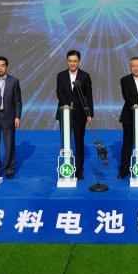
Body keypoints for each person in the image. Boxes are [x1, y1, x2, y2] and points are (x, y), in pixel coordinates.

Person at [56, 50, 93, 180]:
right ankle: (66, 168)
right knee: (65, 141)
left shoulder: (85, 76)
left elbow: (89, 96)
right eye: (70, 61)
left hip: (80, 114)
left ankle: (79, 170)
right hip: (64, 112)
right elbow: (59, 92)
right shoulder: (61, 75)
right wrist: (66, 105)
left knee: (79, 142)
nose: (72, 63)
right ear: (67, 61)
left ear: (79, 61)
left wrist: (89, 114)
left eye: (75, 61)